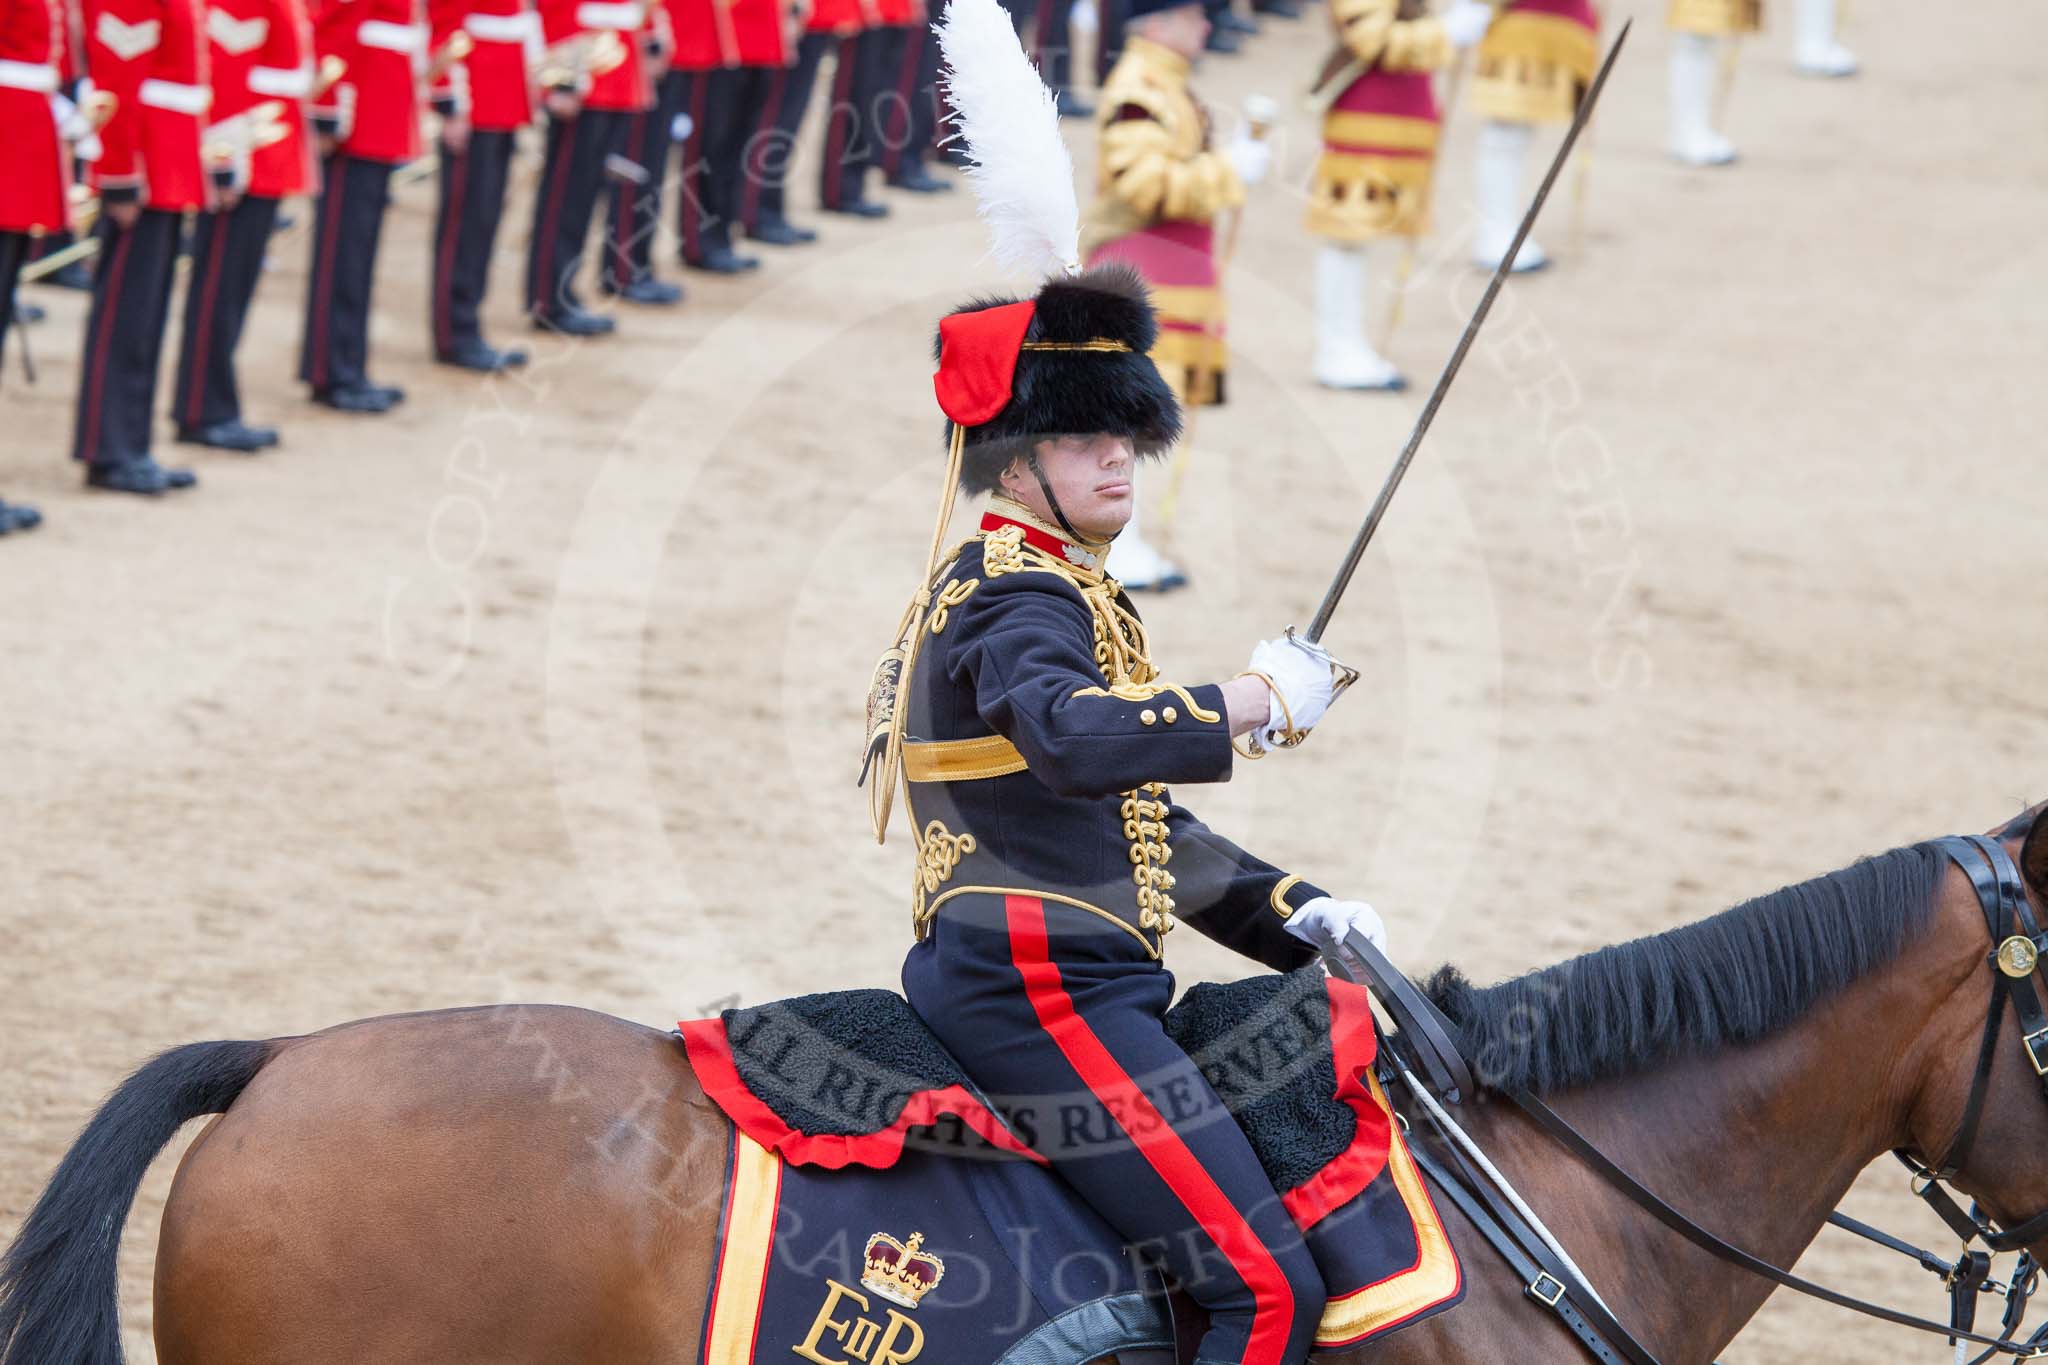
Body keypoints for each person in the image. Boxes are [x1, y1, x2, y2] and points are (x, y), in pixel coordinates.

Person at [890, 263, 1382, 1365]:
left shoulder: (1059, 584)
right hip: (1038, 990)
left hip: (1073, 974)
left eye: (1124, 434)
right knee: (1265, 1292)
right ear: (1014, 461)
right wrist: (1248, 704)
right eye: (1080, 438)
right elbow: (1072, 738)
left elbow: (1129, 819)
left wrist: (1291, 913)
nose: (1117, 455)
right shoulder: (1014, 593)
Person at [1079, 0, 1262, 590]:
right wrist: (1225, 171)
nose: (1206, 25)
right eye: (1191, 15)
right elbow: (1143, 185)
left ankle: (1129, 540)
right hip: (1146, 271)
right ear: (1156, 24)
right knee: (1126, 419)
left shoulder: (1163, 83)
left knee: (1143, 417)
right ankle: (1116, 543)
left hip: (1167, 274)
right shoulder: (1141, 86)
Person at [1301, 0, 1480, 391]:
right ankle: (1336, 349)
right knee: (1347, 237)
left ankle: (1349, 344)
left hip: (1395, 111)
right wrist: (1444, 33)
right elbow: (1371, 39)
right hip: (1367, 113)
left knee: (1360, 242)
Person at [71, 0, 207, 492]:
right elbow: (117, 78)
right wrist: (119, 174)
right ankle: (108, 447)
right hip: (144, 162)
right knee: (124, 315)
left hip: (168, 160)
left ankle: (132, 443)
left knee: (146, 315)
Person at [170, 0, 316, 449]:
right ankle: (202, 408)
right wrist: (223, 159)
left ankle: (217, 403)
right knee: (220, 287)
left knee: (235, 286)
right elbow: (226, 68)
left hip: (267, 147)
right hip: (245, 152)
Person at [302, 0, 427, 409]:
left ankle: (350, 364)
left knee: (360, 250)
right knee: (344, 251)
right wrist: (325, 112)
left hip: (379, 106)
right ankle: (331, 369)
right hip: (354, 115)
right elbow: (328, 22)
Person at [525, 0, 660, 331]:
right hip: (584, 65)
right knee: (566, 196)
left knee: (584, 194)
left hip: (614, 60)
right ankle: (550, 298)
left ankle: (564, 292)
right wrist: (562, 77)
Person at [428, 0, 540, 365]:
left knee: (485, 218)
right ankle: (454, 331)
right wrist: (450, 102)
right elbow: (444, 22)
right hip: (475, 96)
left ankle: (469, 324)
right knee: (465, 222)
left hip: (502, 92)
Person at [1466, 0, 1596, 271]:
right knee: (1506, 128)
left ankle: (1503, 229)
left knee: (1519, 129)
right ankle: (1494, 233)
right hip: (1516, 16)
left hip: (1556, 19)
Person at [736, 0, 825, 246]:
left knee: (788, 118)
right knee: (774, 119)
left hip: (798, 13)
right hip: (775, 15)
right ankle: (757, 210)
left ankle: (769, 207)